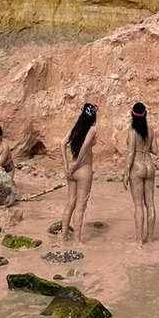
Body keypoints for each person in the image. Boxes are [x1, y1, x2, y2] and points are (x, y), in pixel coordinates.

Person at [59, 102, 98, 245]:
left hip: (71, 171)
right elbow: (85, 146)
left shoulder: (75, 128)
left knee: (69, 204)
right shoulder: (92, 129)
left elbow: (62, 143)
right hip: (83, 169)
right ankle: (77, 241)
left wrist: (66, 164)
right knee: (80, 207)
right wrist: (76, 165)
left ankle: (63, 238)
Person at [123, 101, 157, 245]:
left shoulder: (132, 131)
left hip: (137, 165)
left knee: (138, 206)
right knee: (150, 204)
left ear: (132, 115)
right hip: (149, 165)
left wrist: (125, 173)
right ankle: (149, 238)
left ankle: (138, 240)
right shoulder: (150, 130)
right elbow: (155, 150)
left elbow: (130, 153)